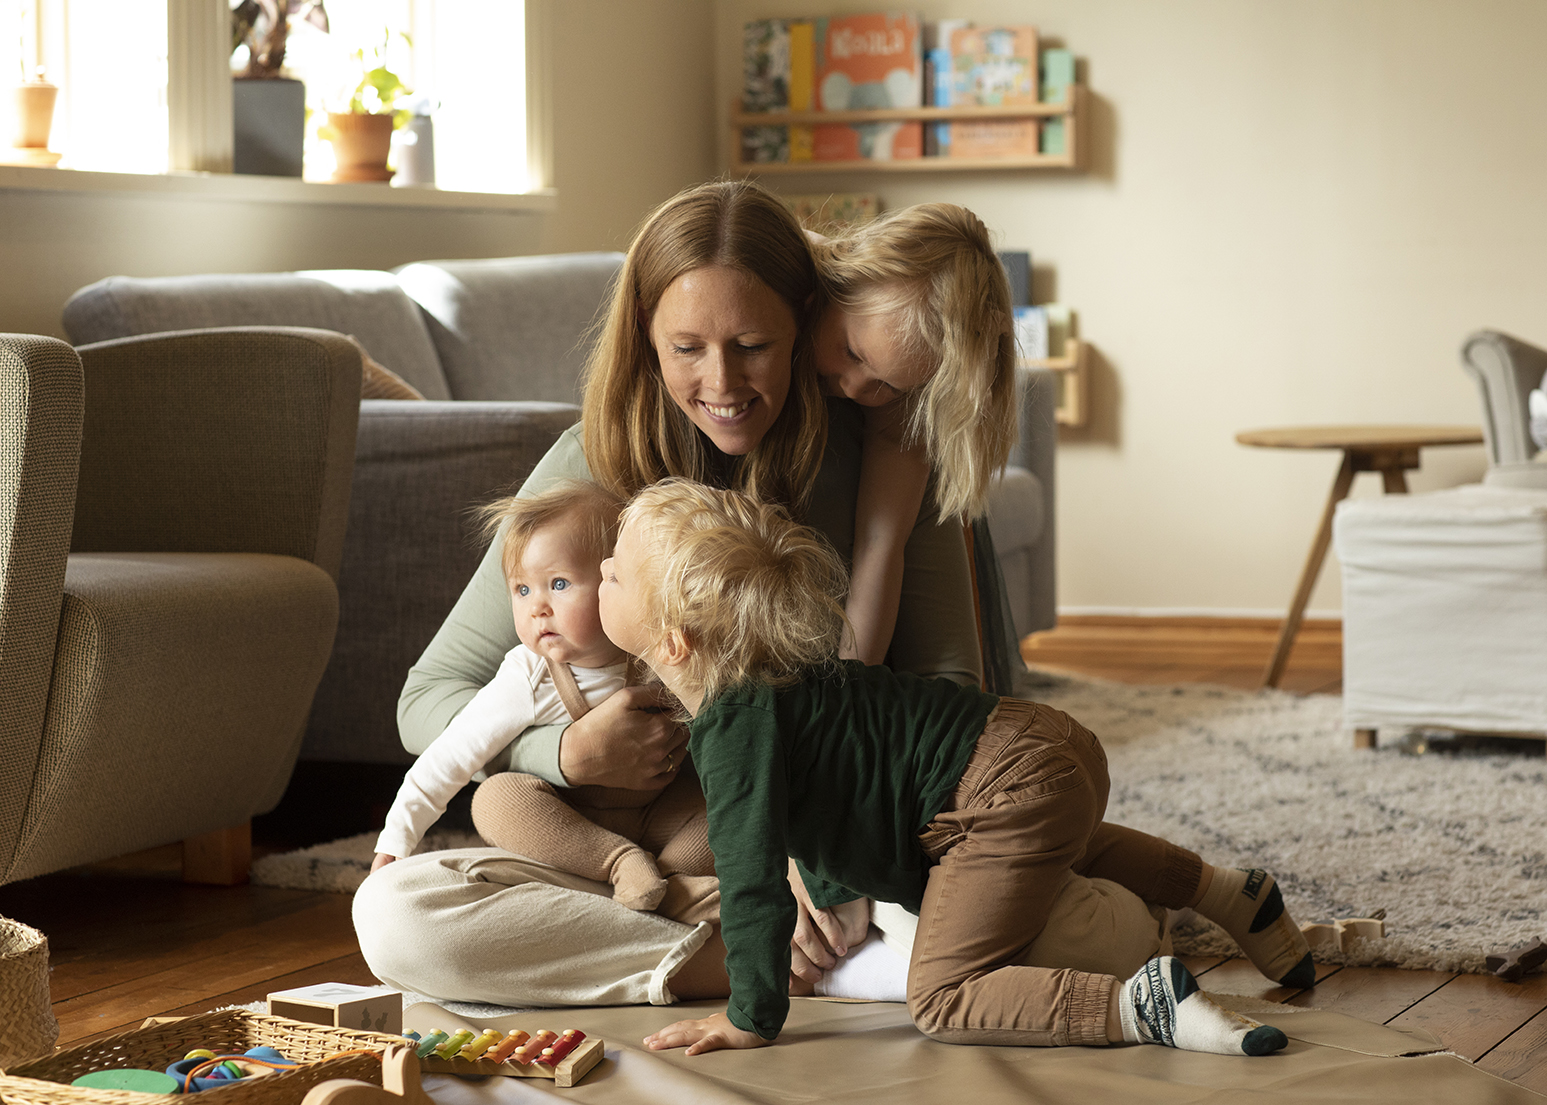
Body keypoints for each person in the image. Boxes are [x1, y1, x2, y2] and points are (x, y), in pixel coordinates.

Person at [354, 178, 988, 1009]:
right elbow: (428, 699)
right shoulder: (590, 462)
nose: (721, 381)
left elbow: (955, 700)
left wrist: (825, 840)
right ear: (645, 336)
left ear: (803, 323)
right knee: (397, 916)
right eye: (686, 346)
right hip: (608, 857)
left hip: (790, 838)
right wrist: (562, 755)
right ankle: (769, 959)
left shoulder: (887, 451)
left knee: (1004, 873)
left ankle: (783, 941)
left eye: (754, 344)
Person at [594, 479, 1308, 1057]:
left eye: (615, 571)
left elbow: (752, 886)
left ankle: (1138, 1008)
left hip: (998, 785)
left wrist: (749, 1018)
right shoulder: (790, 676)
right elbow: (851, 791)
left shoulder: (732, 731)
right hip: (1042, 739)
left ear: (674, 643)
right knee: (1039, 844)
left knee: (939, 997)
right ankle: (1224, 891)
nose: (600, 570)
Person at [368, 481, 717, 925]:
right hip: (571, 830)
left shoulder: (659, 651)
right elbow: (449, 757)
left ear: (617, 580)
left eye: (558, 584)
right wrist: (395, 841)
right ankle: (618, 869)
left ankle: (655, 892)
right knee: (495, 798)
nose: (538, 608)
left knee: (719, 814)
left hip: (657, 817)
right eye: (522, 590)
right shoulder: (528, 675)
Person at [809, 204, 1018, 667]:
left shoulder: (904, 392)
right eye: (851, 352)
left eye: (885, 385)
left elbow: (879, 546)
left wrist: (854, 690)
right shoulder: (786, 268)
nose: (853, 387)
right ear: (840, 282)